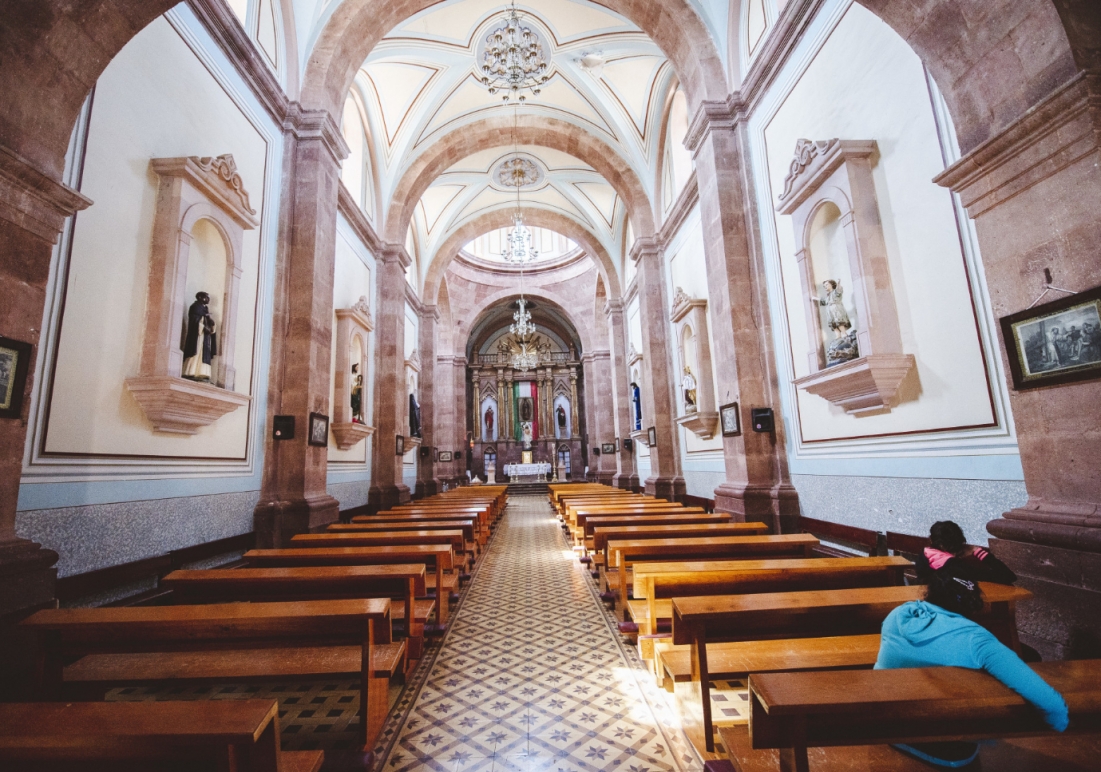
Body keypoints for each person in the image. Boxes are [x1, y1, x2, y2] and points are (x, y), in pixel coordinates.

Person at [876, 571, 1068, 767]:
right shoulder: (976, 639)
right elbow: (1051, 703)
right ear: (972, 604)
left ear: (929, 592)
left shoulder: (899, 614)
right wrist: (1057, 726)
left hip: (889, 729)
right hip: (948, 751)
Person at [915, 520, 1016, 586]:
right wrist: (976, 551)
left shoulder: (923, 557)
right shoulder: (956, 567)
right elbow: (1008, 576)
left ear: (931, 540)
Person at [182, 291, 217, 382]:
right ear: (200, 297)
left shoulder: (206, 309)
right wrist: (203, 327)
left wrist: (212, 325)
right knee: (196, 352)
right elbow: (194, 321)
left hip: (205, 337)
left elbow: (207, 319)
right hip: (197, 336)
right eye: (207, 297)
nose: (208, 299)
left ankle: (202, 372)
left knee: (204, 354)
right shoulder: (195, 307)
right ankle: (191, 372)